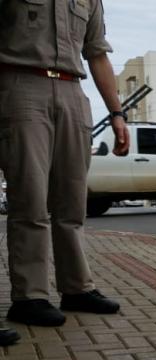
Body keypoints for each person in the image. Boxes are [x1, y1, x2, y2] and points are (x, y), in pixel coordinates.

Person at [0, 0, 129, 329]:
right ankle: (30, 297)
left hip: (73, 91)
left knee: (72, 200)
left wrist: (117, 113)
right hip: (20, 84)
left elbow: (97, 53)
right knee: (30, 197)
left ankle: (76, 289)